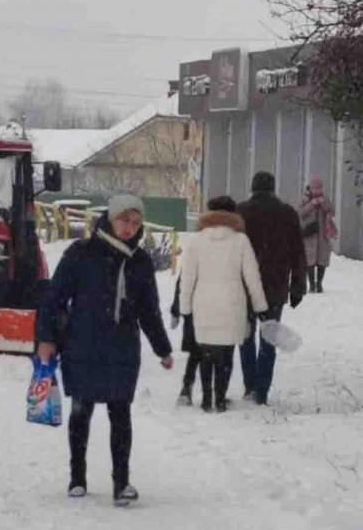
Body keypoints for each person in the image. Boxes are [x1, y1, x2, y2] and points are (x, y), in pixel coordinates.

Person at [35, 194, 174, 506]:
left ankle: (121, 482)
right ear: (110, 218)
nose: (129, 227)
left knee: (120, 412)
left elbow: (148, 310)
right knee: (81, 409)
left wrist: (162, 348)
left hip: (122, 346)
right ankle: (77, 477)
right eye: (124, 220)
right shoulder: (81, 253)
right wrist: (46, 339)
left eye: (136, 222)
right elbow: (54, 298)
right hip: (82, 342)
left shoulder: (140, 261)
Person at [177, 196, 269, 413]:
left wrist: (185, 307)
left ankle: (207, 399)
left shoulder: (197, 240)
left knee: (206, 352)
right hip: (232, 303)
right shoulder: (241, 240)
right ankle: (220, 398)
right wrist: (260, 307)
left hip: (204, 303)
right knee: (226, 354)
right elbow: (252, 277)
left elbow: (188, 277)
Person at [236, 171, 307, 406]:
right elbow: (298, 252)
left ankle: (250, 385)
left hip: (245, 286)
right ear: (272, 188)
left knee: (245, 338)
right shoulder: (287, 214)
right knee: (269, 339)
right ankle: (260, 391)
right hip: (275, 287)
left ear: (253, 188)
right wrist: (298, 285)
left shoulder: (241, 212)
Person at [298, 174, 337, 293]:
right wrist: (312, 203)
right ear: (310, 188)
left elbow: (332, 211)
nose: (317, 192)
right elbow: (300, 212)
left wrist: (323, 203)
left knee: (322, 260)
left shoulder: (325, 197)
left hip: (322, 234)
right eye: (315, 189)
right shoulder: (304, 198)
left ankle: (319, 284)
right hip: (309, 234)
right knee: (309, 260)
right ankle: (312, 285)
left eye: (319, 189)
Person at [169, 271, 201, 407]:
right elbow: (183, 282)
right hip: (195, 309)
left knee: (201, 351)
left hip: (208, 307)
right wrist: (176, 311)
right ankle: (187, 388)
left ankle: (189, 388)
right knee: (197, 350)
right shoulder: (194, 252)